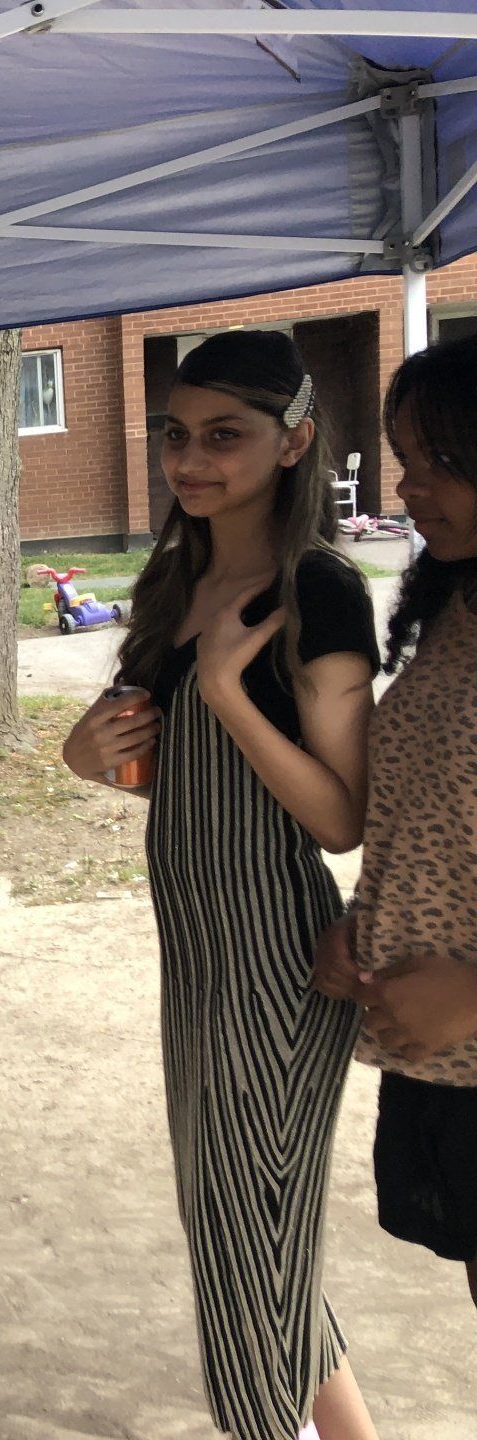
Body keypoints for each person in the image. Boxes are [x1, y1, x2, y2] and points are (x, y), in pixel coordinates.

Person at [63, 331, 379, 1440]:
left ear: (294, 442)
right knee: (244, 1234)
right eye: (176, 435)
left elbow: (341, 814)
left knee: (251, 1243)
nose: (191, 460)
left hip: (280, 960)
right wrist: (84, 750)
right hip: (195, 956)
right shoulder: (179, 579)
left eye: (225, 437)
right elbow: (154, 771)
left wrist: (232, 697)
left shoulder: (319, 590)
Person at [312, 334, 477, 1308]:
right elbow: (423, 814)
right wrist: (367, 927)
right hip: (441, 1060)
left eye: (444, 461)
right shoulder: (452, 603)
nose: (412, 488)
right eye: (407, 459)